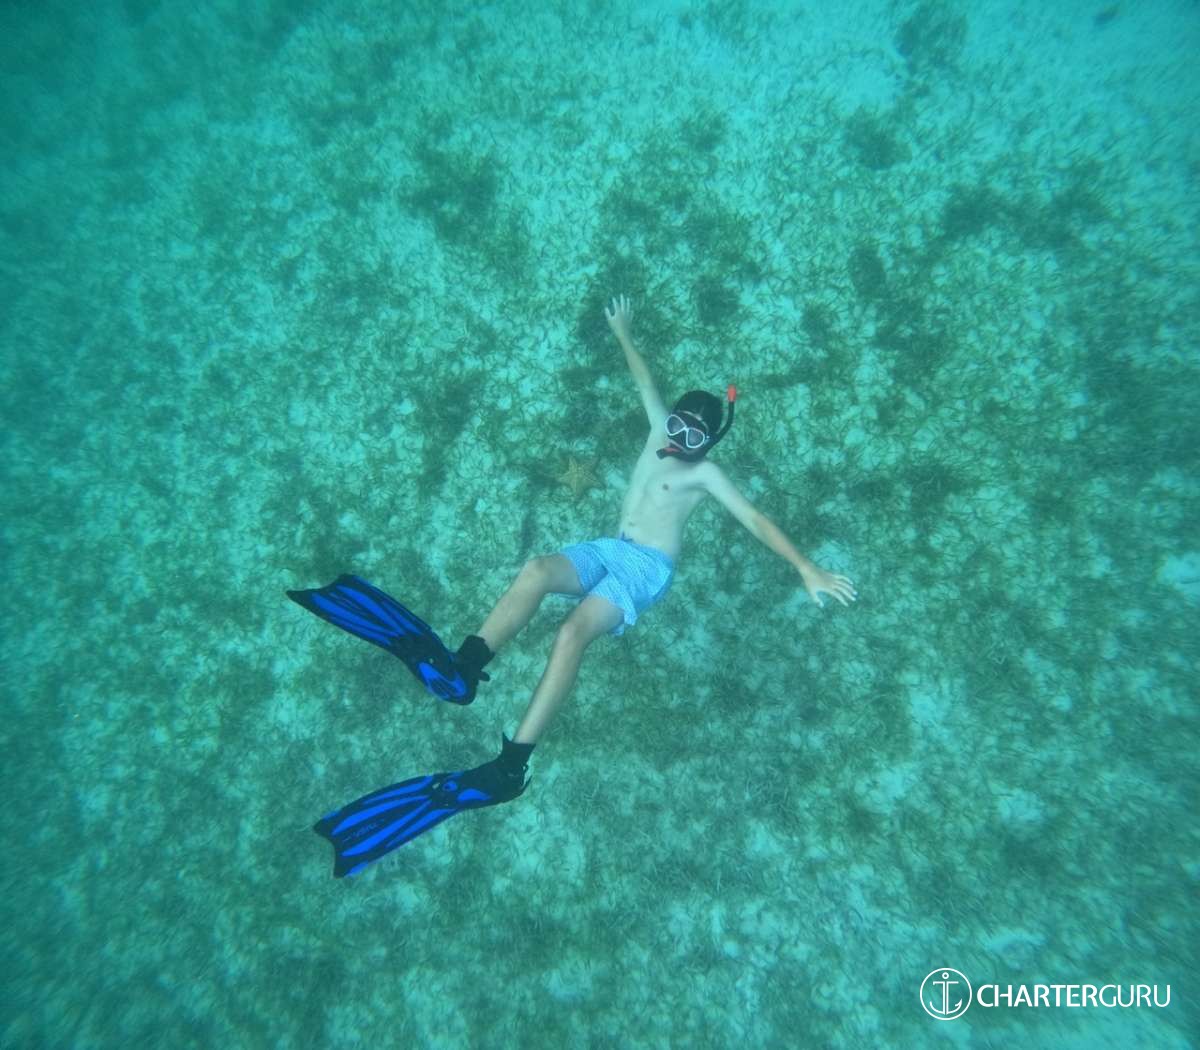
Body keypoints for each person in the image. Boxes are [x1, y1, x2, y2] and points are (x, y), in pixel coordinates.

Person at [290, 294, 857, 876]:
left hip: (645, 570)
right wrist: (624, 332)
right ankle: (463, 668)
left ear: (709, 442)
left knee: (570, 634)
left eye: (694, 436)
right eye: (677, 426)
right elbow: (645, 381)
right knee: (537, 570)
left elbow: (755, 518)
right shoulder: (658, 431)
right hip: (612, 547)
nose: (680, 439)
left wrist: (805, 566)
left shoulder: (705, 473)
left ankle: (511, 765)